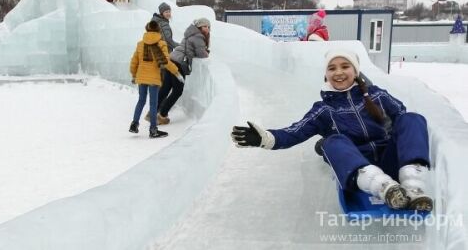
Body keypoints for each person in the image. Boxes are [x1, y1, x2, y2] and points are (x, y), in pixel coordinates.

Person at [231, 49, 433, 212]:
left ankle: (413, 186)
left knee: (412, 118)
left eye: (345, 66)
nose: (339, 72)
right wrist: (264, 138)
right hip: (357, 169)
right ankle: (385, 188)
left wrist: (389, 127)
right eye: (332, 68)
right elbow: (294, 132)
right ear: (326, 74)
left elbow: (403, 119)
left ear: (355, 71)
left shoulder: (377, 95)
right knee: (331, 141)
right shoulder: (324, 110)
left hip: (391, 160)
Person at [130, 20, 184, 138]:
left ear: (147, 29)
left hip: (141, 77)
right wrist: (177, 72)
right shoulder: (161, 44)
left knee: (141, 101)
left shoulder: (140, 44)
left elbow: (134, 62)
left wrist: (134, 75)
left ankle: (134, 124)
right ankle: (153, 130)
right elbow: (166, 62)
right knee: (153, 104)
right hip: (153, 79)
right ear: (158, 30)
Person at [155, 18, 211, 124]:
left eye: (208, 27)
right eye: (204, 26)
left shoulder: (190, 34)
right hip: (179, 63)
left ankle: (153, 112)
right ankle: (162, 115)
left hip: (172, 59)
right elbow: (201, 53)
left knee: (166, 87)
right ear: (199, 27)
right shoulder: (198, 36)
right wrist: (207, 52)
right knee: (177, 91)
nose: (207, 29)